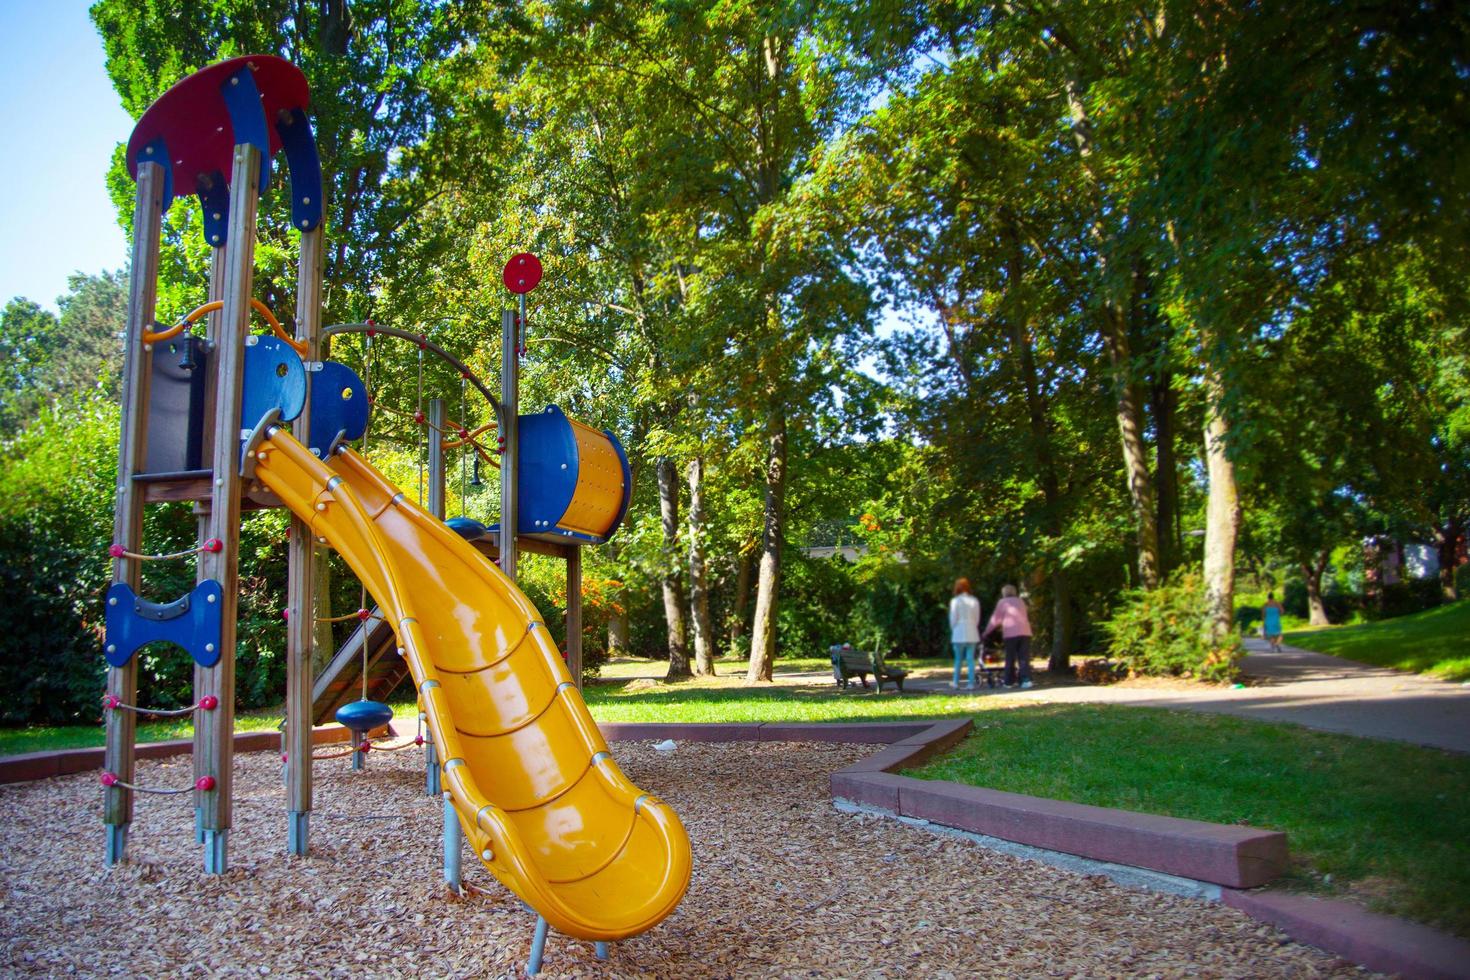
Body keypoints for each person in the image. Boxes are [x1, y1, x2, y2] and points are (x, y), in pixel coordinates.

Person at [983, 585, 1033, 689]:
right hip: (1025, 632)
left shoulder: (1002, 602)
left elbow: (995, 619)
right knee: (1024, 658)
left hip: (1011, 633)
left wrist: (986, 632)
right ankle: (1026, 680)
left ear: (1004, 593)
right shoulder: (1020, 601)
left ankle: (1009, 682)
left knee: (1010, 657)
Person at [948, 578, 981, 689]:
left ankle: (956, 682)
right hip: (972, 631)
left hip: (958, 631)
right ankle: (971, 683)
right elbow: (977, 618)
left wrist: (954, 629)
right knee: (970, 659)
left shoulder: (955, 601)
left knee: (958, 660)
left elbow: (953, 618)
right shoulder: (974, 600)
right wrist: (972, 626)